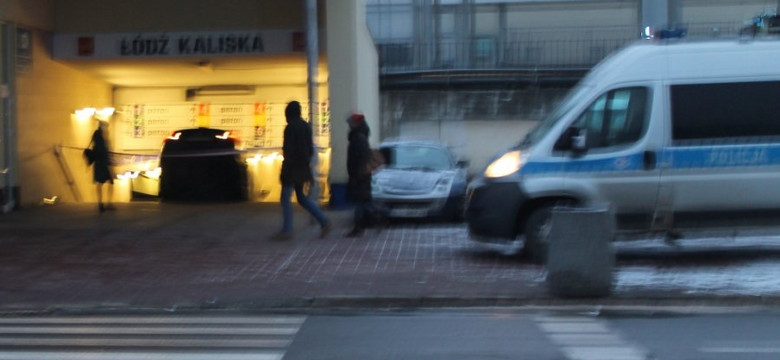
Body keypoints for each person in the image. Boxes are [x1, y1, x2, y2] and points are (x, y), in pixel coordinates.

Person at [273, 101, 331, 240]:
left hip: (291, 169)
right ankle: (323, 220)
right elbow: (310, 149)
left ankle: (287, 230)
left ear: (289, 114)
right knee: (301, 197)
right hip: (303, 168)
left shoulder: (290, 128)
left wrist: (286, 166)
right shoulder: (306, 126)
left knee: (285, 199)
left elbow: (288, 150)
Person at [345, 113, 379, 237]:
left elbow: (359, 159)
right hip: (362, 175)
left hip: (359, 175)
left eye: (351, 123)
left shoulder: (358, 138)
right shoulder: (361, 137)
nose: (349, 126)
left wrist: (356, 175)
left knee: (360, 201)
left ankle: (359, 227)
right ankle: (375, 220)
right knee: (364, 201)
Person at [89, 119, 115, 212]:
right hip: (102, 162)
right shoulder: (100, 135)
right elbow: (103, 149)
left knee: (101, 183)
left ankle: (102, 203)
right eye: (105, 126)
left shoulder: (97, 134)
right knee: (106, 182)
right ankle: (105, 203)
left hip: (100, 162)